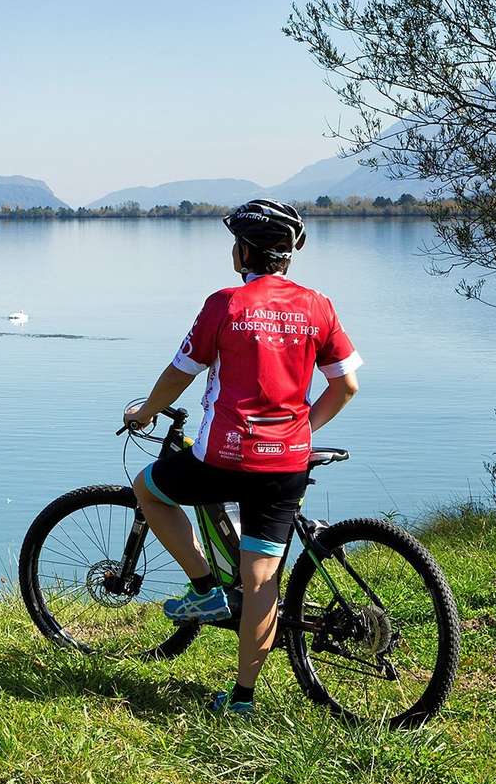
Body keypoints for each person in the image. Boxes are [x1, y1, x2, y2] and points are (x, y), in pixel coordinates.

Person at [123, 199, 361, 715]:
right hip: (287, 460)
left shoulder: (225, 304)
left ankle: (206, 588)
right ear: (288, 255)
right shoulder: (318, 305)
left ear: (243, 251)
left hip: (225, 458)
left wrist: (145, 411)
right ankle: (242, 699)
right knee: (260, 579)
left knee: (149, 488)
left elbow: (179, 373)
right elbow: (346, 386)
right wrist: (301, 430)